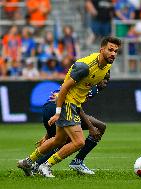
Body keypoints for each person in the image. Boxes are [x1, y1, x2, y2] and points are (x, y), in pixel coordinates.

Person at [17, 36, 122, 178]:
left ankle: (28, 162)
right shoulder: (85, 66)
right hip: (67, 102)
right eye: (110, 50)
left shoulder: (107, 66)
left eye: (116, 51)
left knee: (58, 140)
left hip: (74, 104)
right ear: (101, 49)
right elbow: (65, 87)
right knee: (79, 142)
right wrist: (58, 112)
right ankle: (45, 166)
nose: (113, 54)